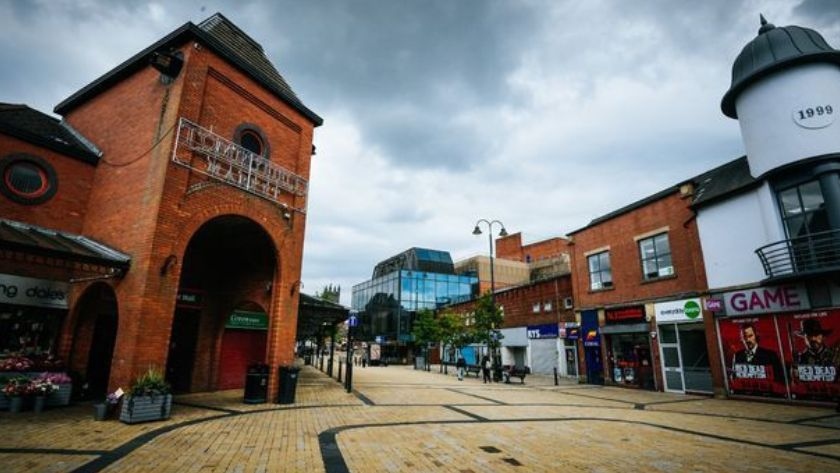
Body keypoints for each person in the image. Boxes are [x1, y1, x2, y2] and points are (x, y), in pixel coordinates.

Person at [794, 318, 837, 383]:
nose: (813, 338)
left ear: (822, 336)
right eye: (809, 335)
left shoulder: (834, 355)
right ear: (804, 338)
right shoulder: (801, 358)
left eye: (816, 335)